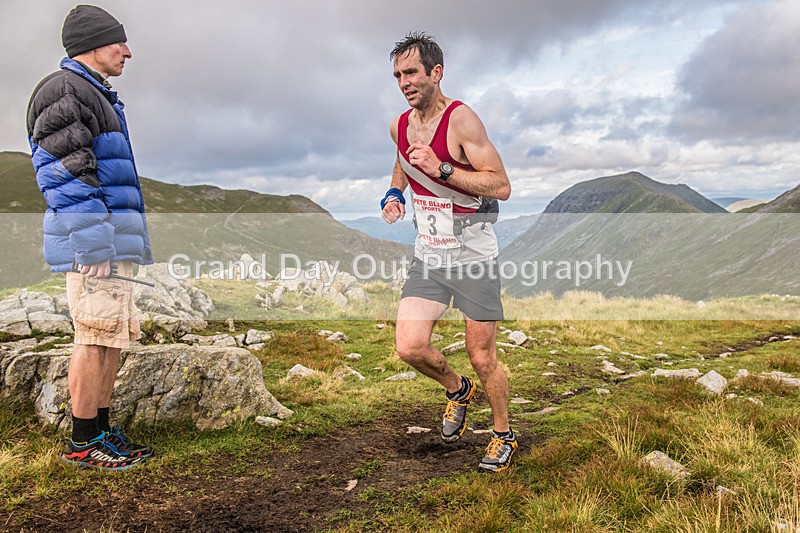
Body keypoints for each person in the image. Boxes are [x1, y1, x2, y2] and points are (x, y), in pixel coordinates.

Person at [26, 4, 154, 470]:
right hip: (95, 245)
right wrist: (94, 244)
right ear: (95, 44)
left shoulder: (92, 92)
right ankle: (83, 442)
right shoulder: (64, 90)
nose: (128, 52)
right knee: (93, 334)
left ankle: (100, 430)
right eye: (120, 42)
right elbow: (64, 173)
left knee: (109, 336)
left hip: (111, 240)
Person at [381, 32, 515, 472]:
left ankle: (502, 434)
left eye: (412, 72)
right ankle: (457, 390)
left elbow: (500, 185)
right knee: (409, 346)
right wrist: (393, 193)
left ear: (436, 73)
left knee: (481, 355)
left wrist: (442, 168)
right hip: (431, 251)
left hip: (473, 251)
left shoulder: (462, 121)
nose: (404, 82)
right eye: (398, 74)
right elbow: (403, 159)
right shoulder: (398, 125)